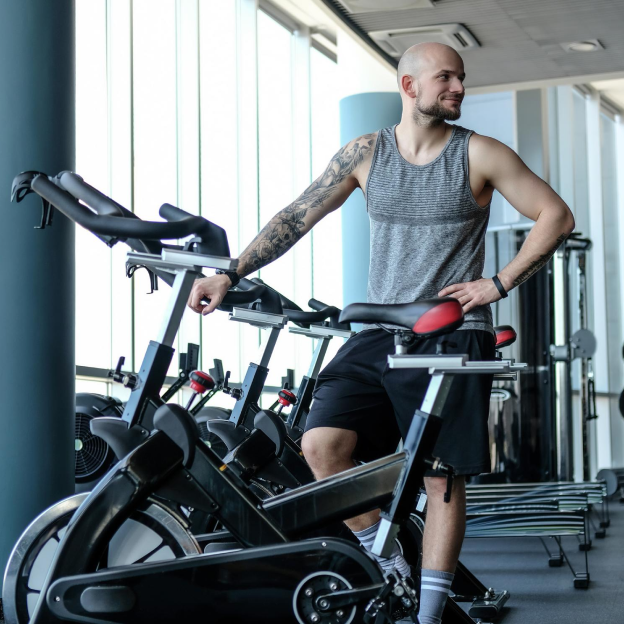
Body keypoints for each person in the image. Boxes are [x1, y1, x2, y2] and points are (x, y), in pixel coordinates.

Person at [187, 42, 575, 624]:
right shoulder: (365, 153)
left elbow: (556, 215)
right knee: (320, 445)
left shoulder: (480, 153)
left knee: (441, 478)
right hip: (379, 330)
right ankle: (388, 559)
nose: (459, 87)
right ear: (409, 86)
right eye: (445, 77)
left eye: (461, 78)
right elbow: (297, 215)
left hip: (451, 332)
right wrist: (230, 272)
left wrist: (498, 283)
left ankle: (429, 613)